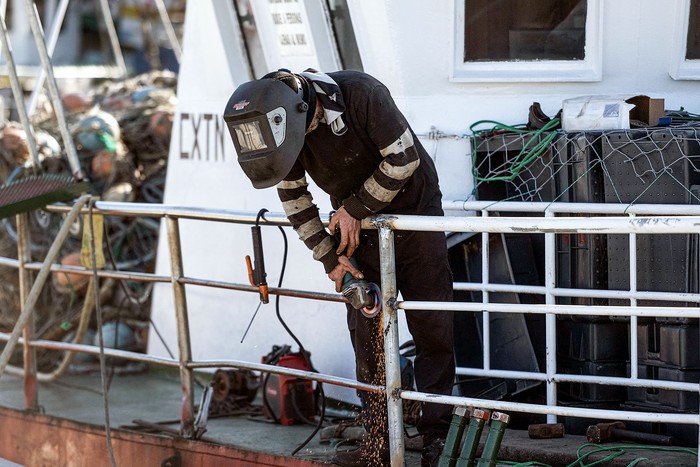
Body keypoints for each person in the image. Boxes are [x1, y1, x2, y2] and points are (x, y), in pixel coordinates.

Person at [224, 68, 455, 467]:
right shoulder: (282, 129)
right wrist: (333, 261)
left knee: (433, 327)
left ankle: (436, 437)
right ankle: (378, 439)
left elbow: (404, 159)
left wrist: (353, 209)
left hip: (415, 218)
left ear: (302, 109)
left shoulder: (363, 94)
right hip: (355, 231)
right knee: (366, 335)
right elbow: (296, 201)